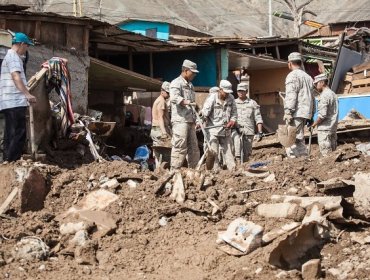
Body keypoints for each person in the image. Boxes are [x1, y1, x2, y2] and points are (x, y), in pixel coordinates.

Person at [0, 32, 36, 162]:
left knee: (10, 133)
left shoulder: (8, 56)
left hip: (8, 101)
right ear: (21, 44)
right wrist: (27, 94)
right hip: (15, 101)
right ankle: (12, 162)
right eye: (27, 46)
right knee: (18, 133)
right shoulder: (14, 57)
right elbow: (16, 77)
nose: (27, 49)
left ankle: (6, 161)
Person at [169, 59, 200, 169]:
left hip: (190, 121)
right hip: (180, 120)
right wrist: (187, 102)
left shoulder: (190, 85)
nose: (194, 75)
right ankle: (174, 172)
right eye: (193, 72)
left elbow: (192, 105)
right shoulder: (176, 83)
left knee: (194, 148)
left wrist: (196, 119)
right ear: (186, 70)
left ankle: (194, 171)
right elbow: (174, 98)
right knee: (180, 147)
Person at [283, 52, 315, 158]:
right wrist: (312, 114)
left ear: (290, 63)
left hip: (296, 111)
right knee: (299, 137)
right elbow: (312, 97)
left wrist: (288, 111)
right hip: (306, 112)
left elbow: (291, 95)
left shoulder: (292, 76)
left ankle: (295, 161)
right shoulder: (308, 77)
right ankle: (303, 158)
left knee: (291, 139)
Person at [201, 80, 237, 170]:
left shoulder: (231, 98)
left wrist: (232, 121)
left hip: (226, 130)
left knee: (229, 152)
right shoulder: (212, 99)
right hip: (214, 131)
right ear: (220, 90)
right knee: (214, 153)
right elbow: (204, 114)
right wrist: (200, 123)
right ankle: (215, 172)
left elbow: (234, 113)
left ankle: (233, 171)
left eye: (229, 92)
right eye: (226, 92)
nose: (227, 94)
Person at [232, 82, 263, 164]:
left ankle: (246, 171)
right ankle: (237, 168)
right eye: (239, 91)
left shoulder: (252, 103)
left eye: (242, 91)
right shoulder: (233, 103)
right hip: (236, 130)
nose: (240, 93)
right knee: (237, 153)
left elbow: (258, 118)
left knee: (247, 154)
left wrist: (260, 132)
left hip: (248, 131)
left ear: (246, 91)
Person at [311, 74, 338, 156]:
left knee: (327, 156)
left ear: (322, 82)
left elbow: (322, 115)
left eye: (316, 84)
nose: (315, 86)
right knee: (333, 154)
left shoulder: (324, 95)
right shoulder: (333, 94)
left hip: (325, 129)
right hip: (332, 128)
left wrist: (314, 124)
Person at [150, 81, 172, 162]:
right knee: (165, 154)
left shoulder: (159, 100)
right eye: (168, 93)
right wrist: (164, 133)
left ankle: (159, 170)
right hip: (159, 130)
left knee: (158, 154)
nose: (169, 95)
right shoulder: (161, 101)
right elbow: (160, 117)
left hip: (156, 129)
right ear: (162, 91)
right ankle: (161, 171)